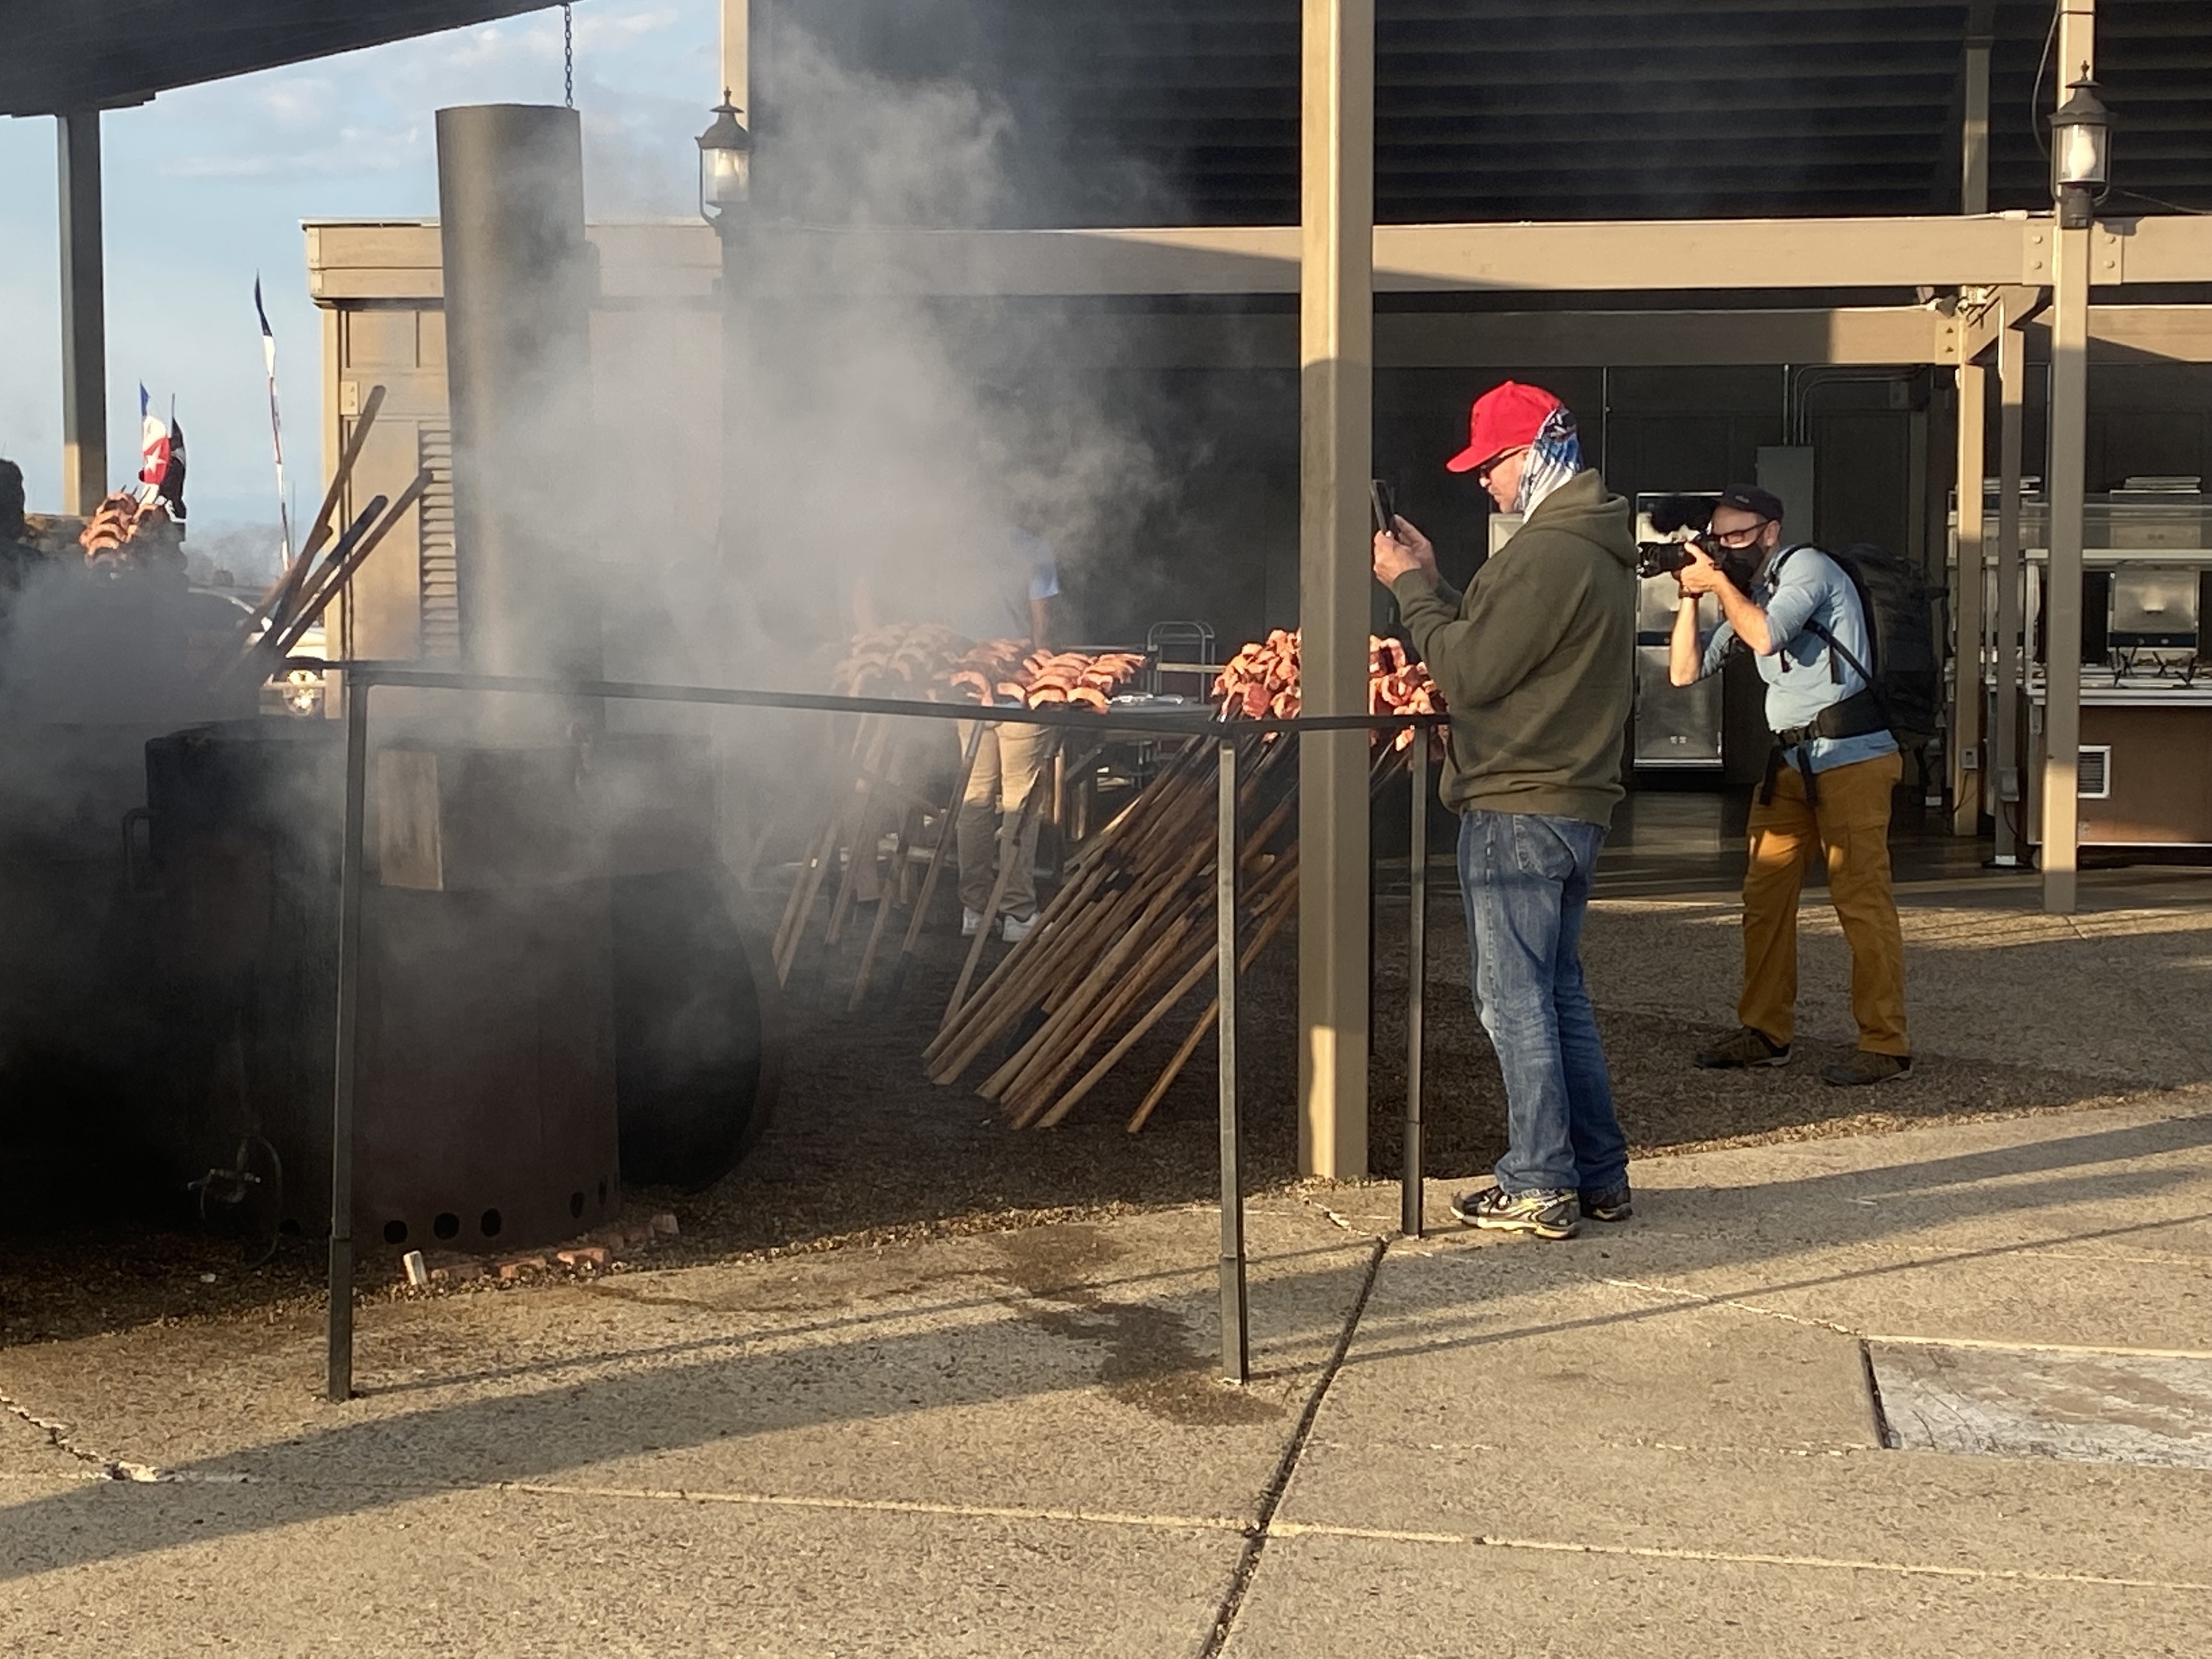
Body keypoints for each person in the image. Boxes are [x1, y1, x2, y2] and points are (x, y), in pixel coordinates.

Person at [1373, 380, 1637, 1241]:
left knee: (1513, 998)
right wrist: (1438, 584)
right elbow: (1509, 649)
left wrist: (1410, 592)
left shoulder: (1545, 552)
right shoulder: (1594, 546)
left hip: (1517, 803)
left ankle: (1539, 1180)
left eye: (1491, 463)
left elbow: (1472, 672)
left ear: (1534, 454)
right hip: (1574, 799)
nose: (1484, 481)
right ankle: (1596, 1175)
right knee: (1558, 993)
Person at [1667, 484, 1910, 1087]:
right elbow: (1684, 672)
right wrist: (1690, 597)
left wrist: (1718, 584)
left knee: (1861, 900)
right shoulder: (1751, 592)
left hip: (1851, 758)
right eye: (1719, 537)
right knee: (1764, 901)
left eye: (1739, 535)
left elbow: (1767, 636)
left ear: (1771, 531)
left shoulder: (1808, 568)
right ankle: (1765, 1031)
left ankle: (1885, 1044)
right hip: (1789, 765)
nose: (1728, 546)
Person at [852, 525, 1061, 942]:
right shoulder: (1033, 549)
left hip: (967, 693)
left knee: (975, 799)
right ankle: (1018, 911)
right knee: (1020, 802)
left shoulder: (955, 545)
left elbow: (943, 622)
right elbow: (1042, 628)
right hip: (1019, 697)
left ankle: (975, 908)